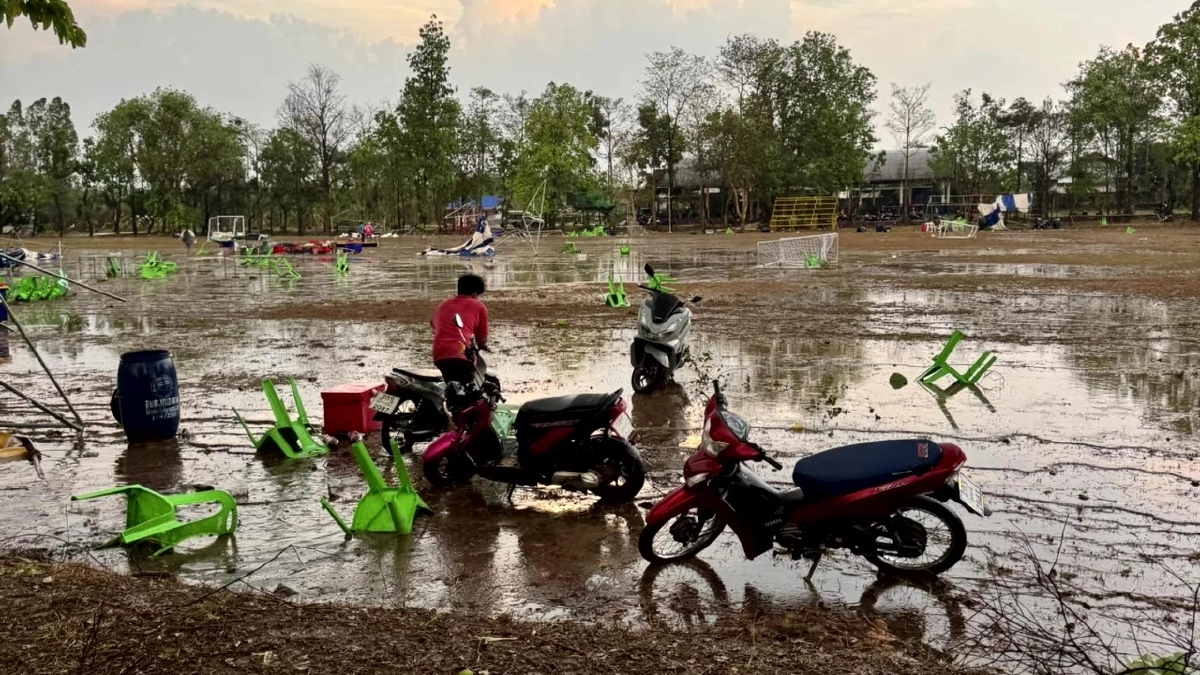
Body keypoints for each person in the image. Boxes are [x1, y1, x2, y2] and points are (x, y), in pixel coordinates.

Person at [431, 274, 489, 387]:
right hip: (461, 354)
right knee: (465, 392)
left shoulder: (443, 305)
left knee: (450, 388)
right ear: (475, 294)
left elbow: (433, 325)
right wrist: (483, 346)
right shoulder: (478, 305)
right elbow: (482, 339)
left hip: (439, 354)